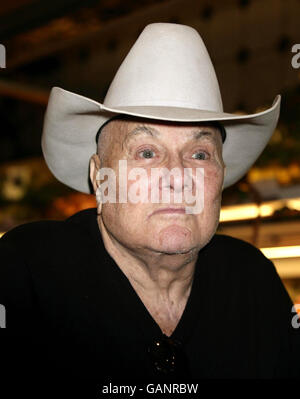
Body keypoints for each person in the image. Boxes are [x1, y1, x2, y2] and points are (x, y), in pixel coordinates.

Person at [0, 22, 299, 386]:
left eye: (200, 154)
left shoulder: (253, 282)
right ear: (99, 178)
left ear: (220, 176)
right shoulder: (24, 273)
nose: (176, 175)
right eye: (146, 152)